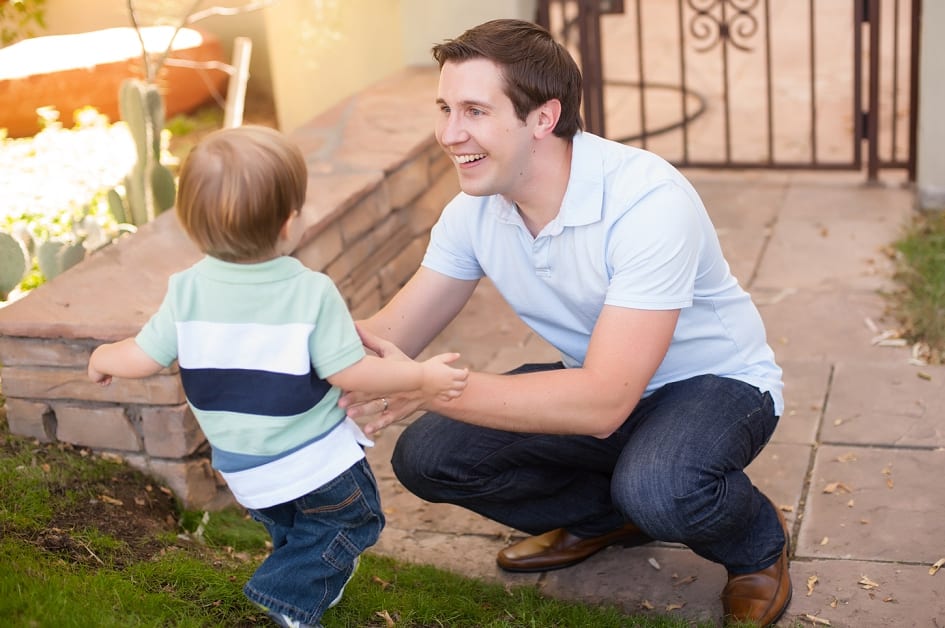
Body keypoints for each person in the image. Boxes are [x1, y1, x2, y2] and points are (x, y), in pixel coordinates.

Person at [340, 18, 791, 626]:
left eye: (474, 110)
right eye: (444, 107)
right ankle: (608, 520)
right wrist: (279, 335)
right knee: (427, 457)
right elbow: (389, 335)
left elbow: (604, 402)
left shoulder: (647, 202)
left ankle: (756, 545)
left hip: (714, 384)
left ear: (543, 118)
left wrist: (429, 388)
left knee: (662, 487)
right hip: (600, 382)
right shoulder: (473, 209)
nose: (449, 134)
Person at [87, 125, 468, 628]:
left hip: (245, 470)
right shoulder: (309, 291)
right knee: (353, 520)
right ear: (289, 224)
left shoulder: (186, 290)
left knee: (294, 529)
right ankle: (285, 600)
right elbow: (348, 369)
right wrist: (419, 378)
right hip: (314, 459)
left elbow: (142, 356)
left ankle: (304, 579)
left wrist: (101, 358)